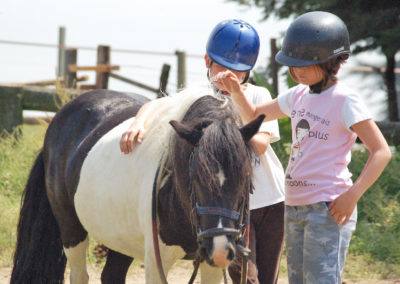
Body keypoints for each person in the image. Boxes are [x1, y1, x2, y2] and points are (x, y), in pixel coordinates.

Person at [215, 11, 392, 284]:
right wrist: (237, 92)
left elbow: (381, 151)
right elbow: (254, 117)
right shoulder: (297, 95)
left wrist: (352, 195)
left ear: (332, 61)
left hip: (327, 206)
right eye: (292, 65)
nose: (296, 71)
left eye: (304, 65)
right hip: (294, 205)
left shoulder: (346, 99)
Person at [120, 19, 286, 284]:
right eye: (222, 66)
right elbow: (159, 104)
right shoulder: (201, 99)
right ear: (207, 60)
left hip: (272, 200)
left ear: (249, 71)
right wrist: (139, 122)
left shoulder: (257, 95)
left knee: (269, 277)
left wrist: (233, 115)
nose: (229, 75)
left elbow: (261, 144)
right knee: (247, 278)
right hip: (234, 205)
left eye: (239, 71)